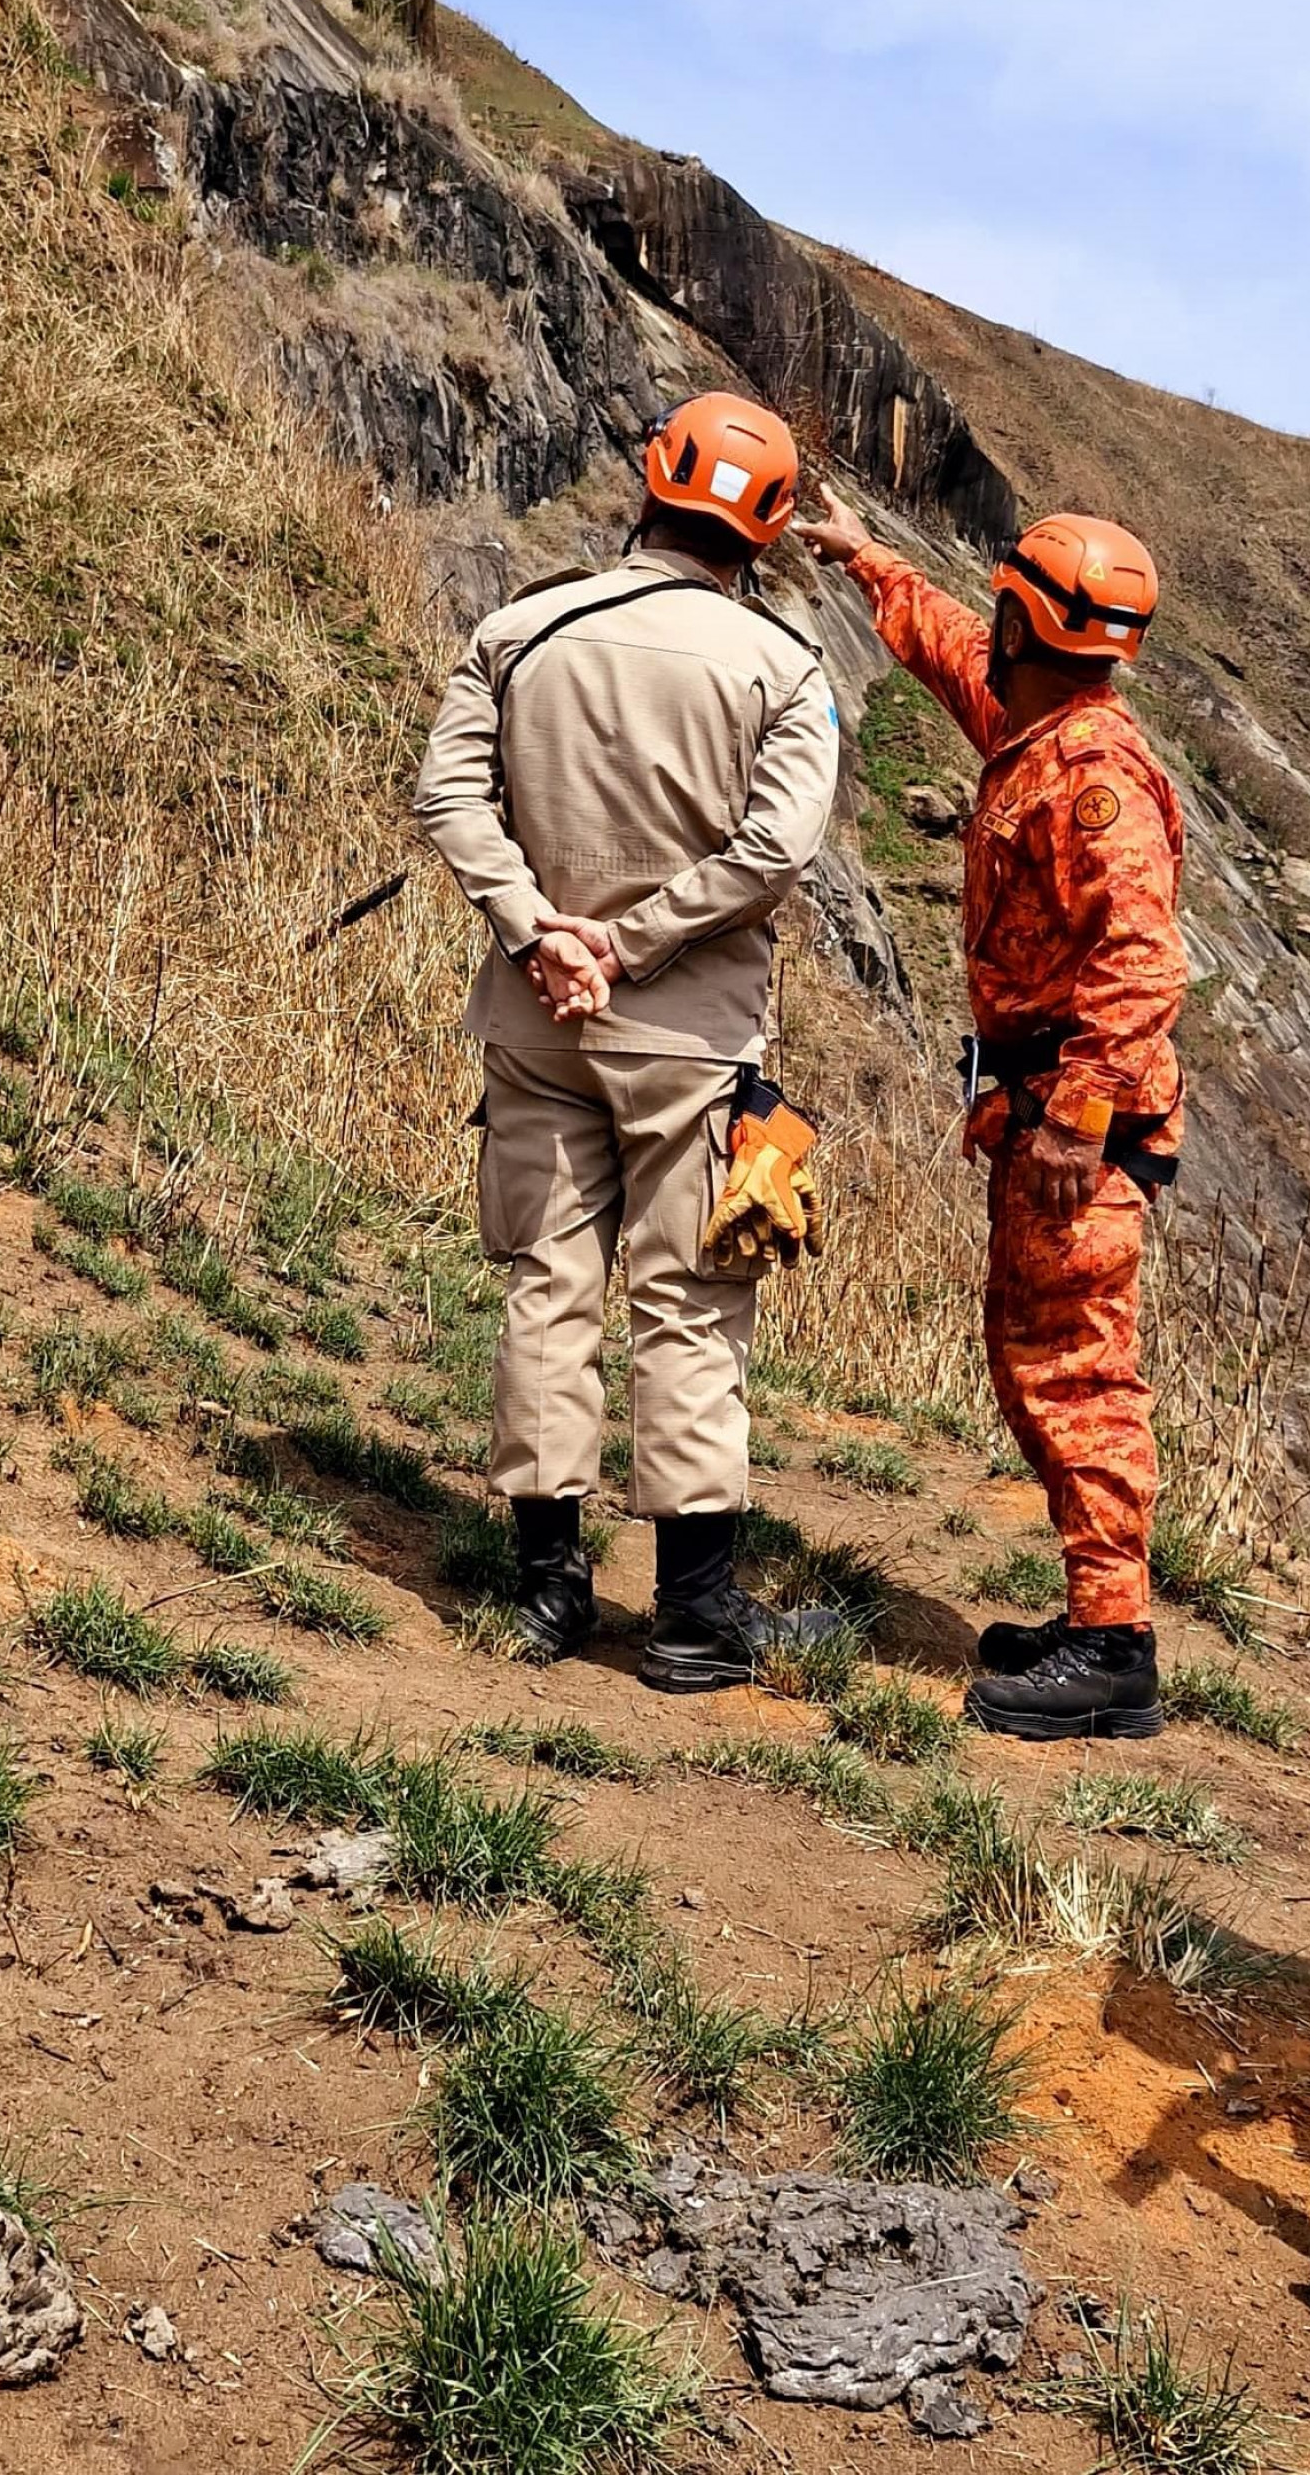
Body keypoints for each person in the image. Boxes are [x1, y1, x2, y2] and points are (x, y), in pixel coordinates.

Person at [415, 394, 844, 1690]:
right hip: (689, 1040)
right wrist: (635, 942)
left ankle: (544, 1594)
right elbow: (777, 849)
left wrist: (542, 926)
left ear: (651, 479)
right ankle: (691, 1619)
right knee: (690, 1305)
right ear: (764, 529)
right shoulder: (782, 669)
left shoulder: (520, 627)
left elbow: (448, 793)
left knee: (548, 1286)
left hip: (534, 1017)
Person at [798, 484, 1187, 1743]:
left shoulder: (1094, 776)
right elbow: (963, 660)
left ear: (1034, 620)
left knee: (1076, 1366)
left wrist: (1077, 1117)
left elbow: (1141, 962)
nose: (993, 632)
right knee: (1037, 1356)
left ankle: (1114, 1644)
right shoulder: (1044, 727)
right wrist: (871, 563)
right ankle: (1093, 1619)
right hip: (1038, 1111)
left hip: (1079, 1125)